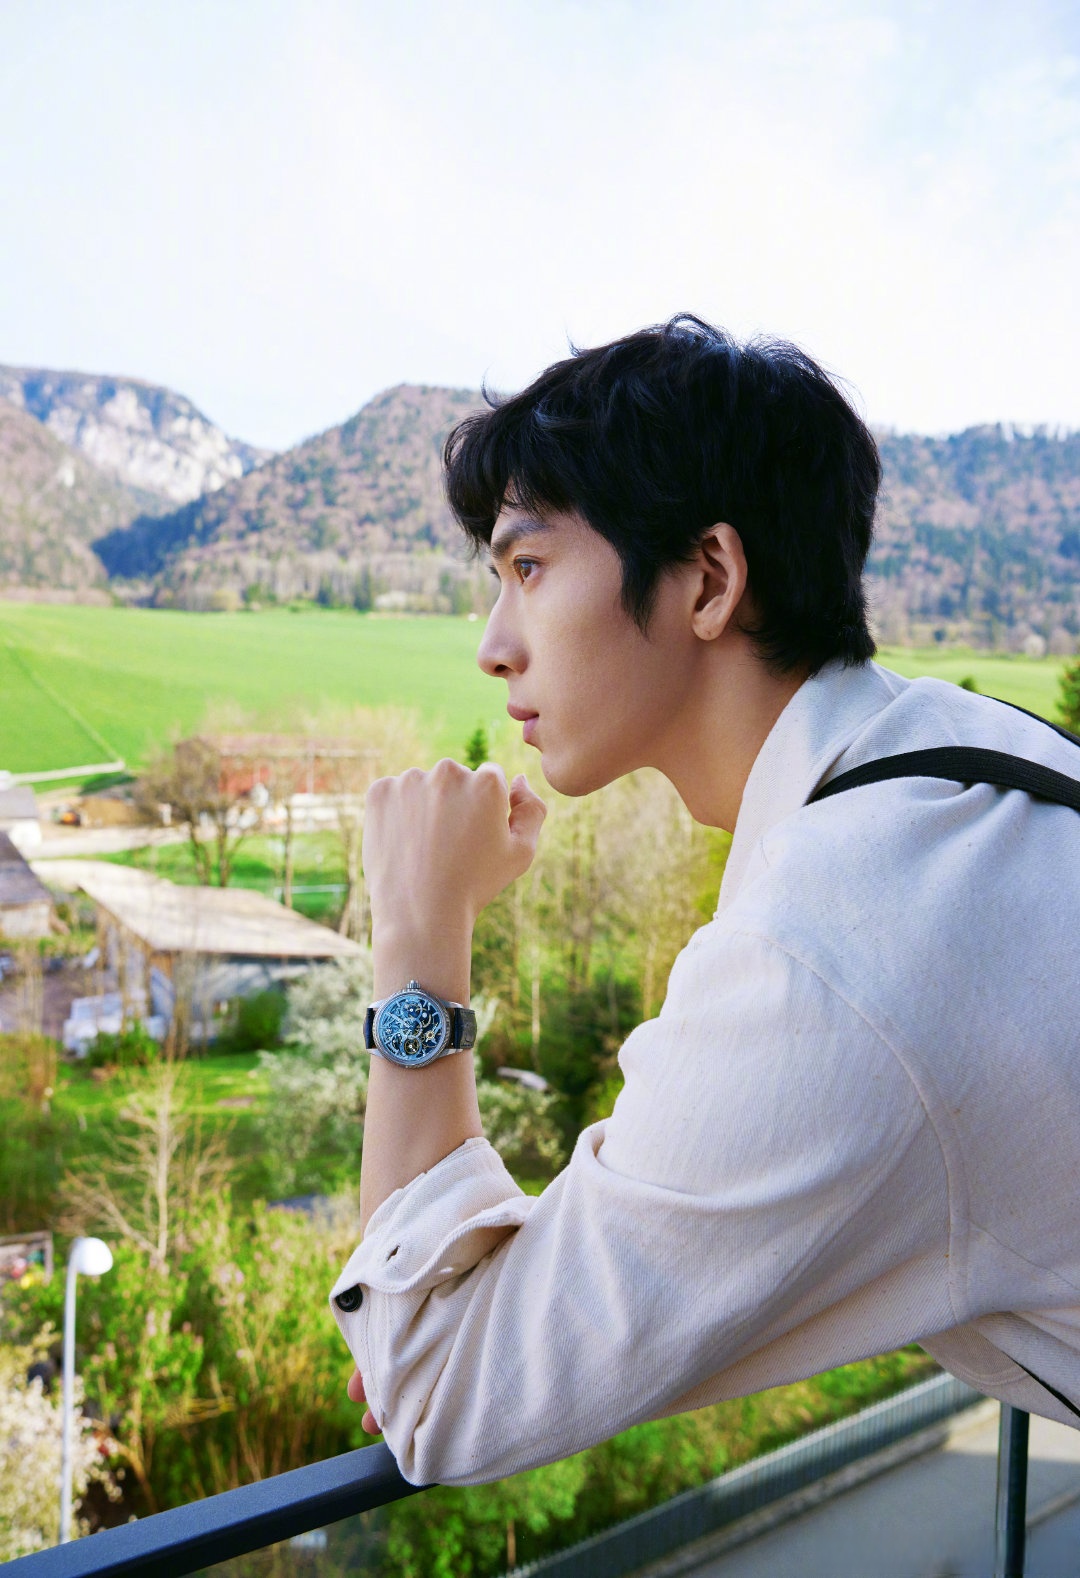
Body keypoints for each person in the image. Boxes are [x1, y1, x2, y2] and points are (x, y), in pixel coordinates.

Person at [329, 315, 1080, 1487]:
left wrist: (419, 934)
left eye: (529, 568)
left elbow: (436, 1387)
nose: (493, 645)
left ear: (711, 581)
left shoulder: (828, 953)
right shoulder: (967, 752)